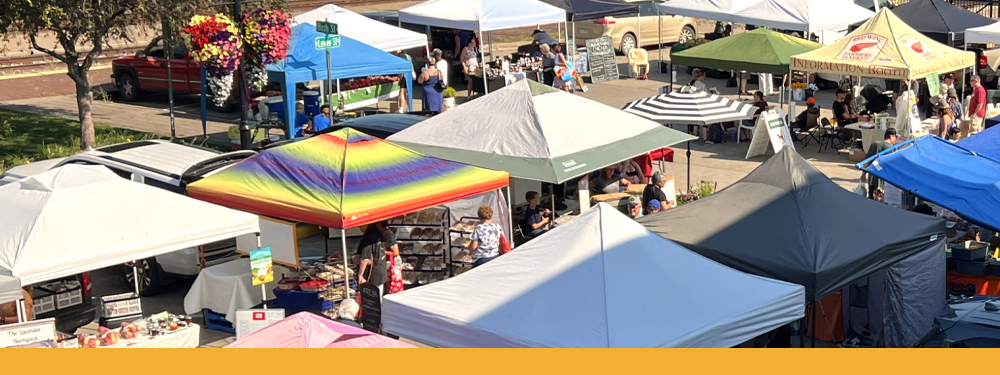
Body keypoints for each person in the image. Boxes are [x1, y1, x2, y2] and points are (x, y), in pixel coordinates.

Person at [860, 128, 898, 200]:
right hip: (884, 180)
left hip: (872, 178)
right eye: (896, 137)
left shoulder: (875, 144)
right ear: (891, 136)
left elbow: (868, 160)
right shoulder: (892, 148)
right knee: (881, 200)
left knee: (871, 197)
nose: (896, 139)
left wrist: (863, 173)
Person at [965, 75, 987, 139]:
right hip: (974, 114)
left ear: (976, 81)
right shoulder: (975, 90)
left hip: (977, 115)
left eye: (971, 81)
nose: (970, 82)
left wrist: (975, 113)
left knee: (974, 132)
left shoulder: (980, 90)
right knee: (972, 131)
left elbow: (980, 103)